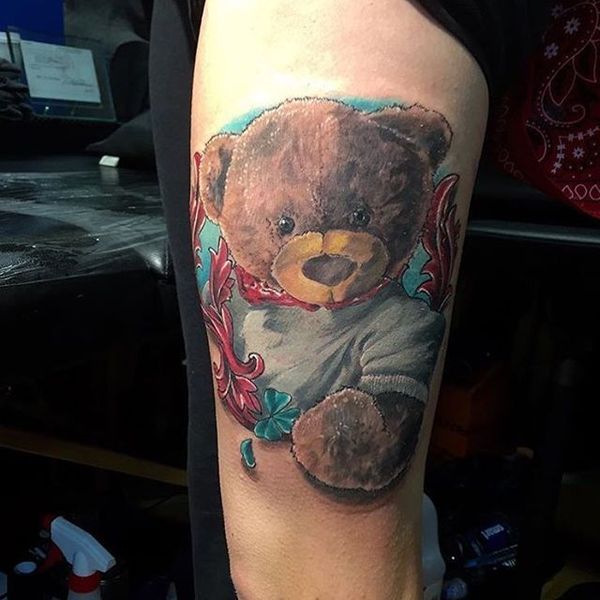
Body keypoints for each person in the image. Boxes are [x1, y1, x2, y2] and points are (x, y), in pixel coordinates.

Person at [149, 2, 549, 598]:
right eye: (287, 225)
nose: (327, 254)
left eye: (359, 218)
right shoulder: (251, 302)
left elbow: (319, 577)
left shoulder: (393, 323)